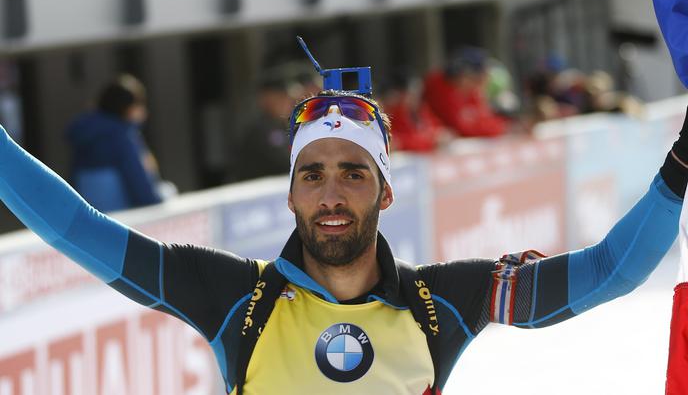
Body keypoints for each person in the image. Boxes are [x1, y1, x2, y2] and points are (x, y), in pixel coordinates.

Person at [0, 66, 684, 393]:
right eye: (312, 174)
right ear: (292, 194)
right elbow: (73, 229)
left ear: (385, 189)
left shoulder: (443, 303)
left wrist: (678, 171)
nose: (332, 193)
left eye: (354, 173)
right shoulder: (233, 297)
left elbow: (609, 273)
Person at [66, 74, 163, 212]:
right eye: (140, 104)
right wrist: (158, 202)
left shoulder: (84, 134)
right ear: (127, 108)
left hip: (91, 219)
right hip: (122, 219)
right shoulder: (121, 136)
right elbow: (140, 186)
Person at [423, 47, 509, 137]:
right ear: (463, 74)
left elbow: (484, 117)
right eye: (476, 79)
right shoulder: (439, 88)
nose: (478, 85)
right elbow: (461, 128)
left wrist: (500, 126)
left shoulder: (469, 90)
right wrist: (500, 127)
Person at [235, 78, 297, 181]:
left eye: (288, 98)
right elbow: (284, 162)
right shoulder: (262, 129)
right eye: (280, 97)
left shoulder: (282, 126)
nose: (287, 102)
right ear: (265, 99)